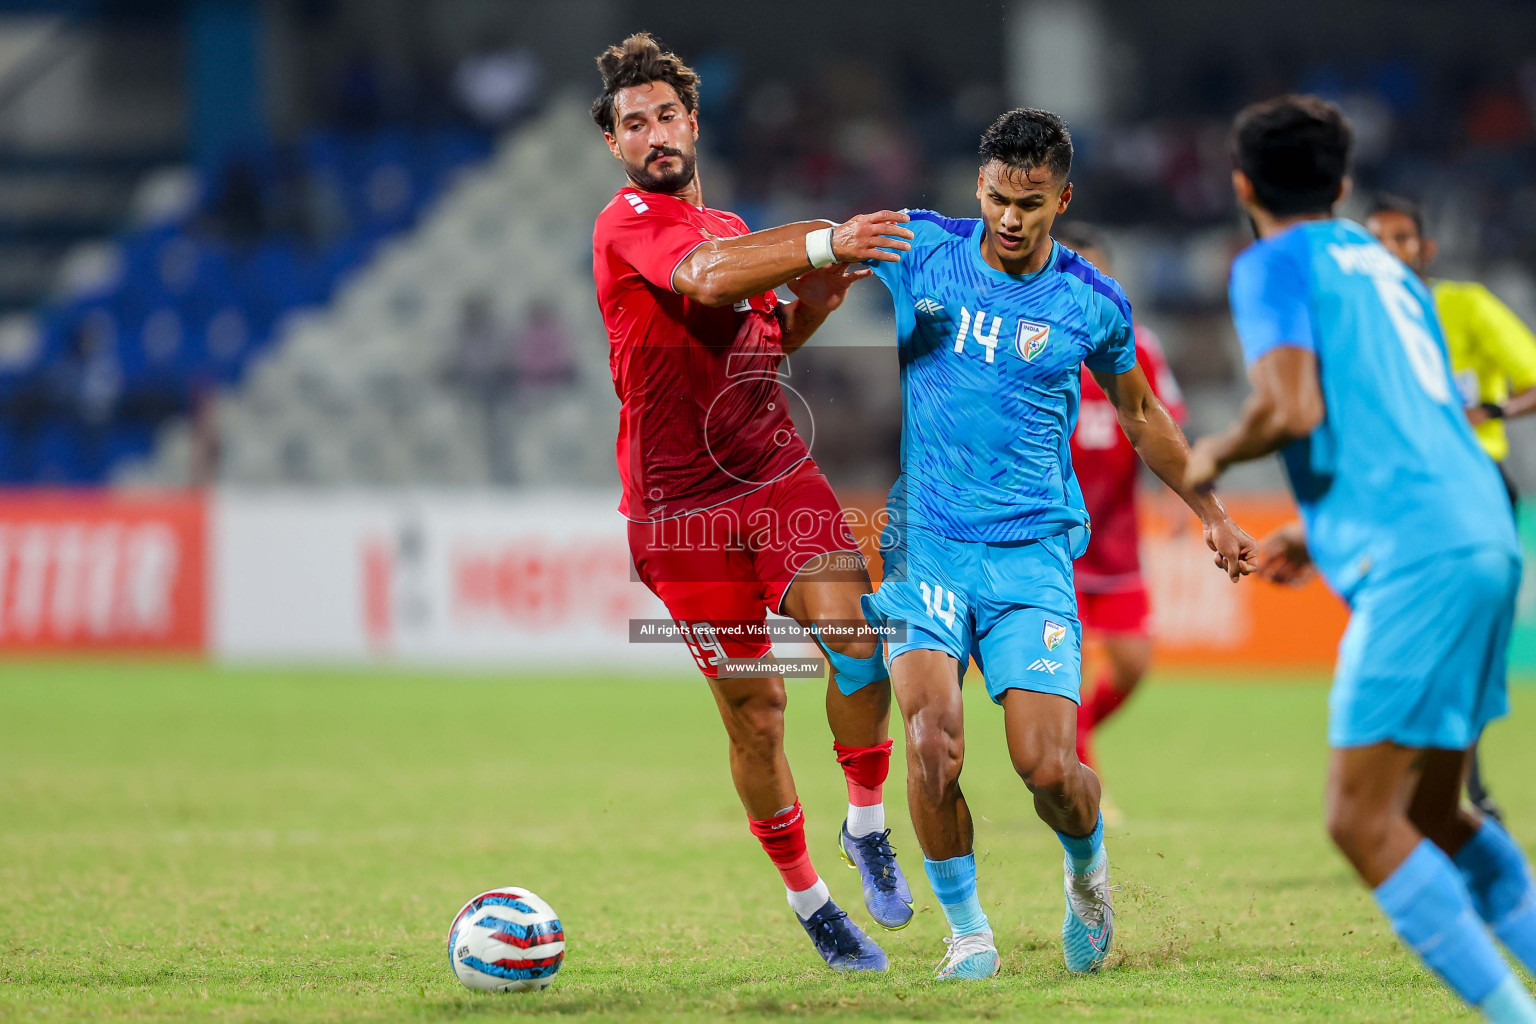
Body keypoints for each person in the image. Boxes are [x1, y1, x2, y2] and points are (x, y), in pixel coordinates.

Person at [861, 108, 1256, 980]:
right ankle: (968, 933)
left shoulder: (1090, 302)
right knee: (930, 742)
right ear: (978, 187)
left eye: (1031, 203)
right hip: (926, 542)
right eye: (999, 197)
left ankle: (1086, 872)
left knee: (1048, 770)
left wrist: (1212, 513)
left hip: (1030, 557)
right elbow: (814, 257)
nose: (1011, 217)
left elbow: (1144, 416)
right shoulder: (919, 248)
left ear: (1062, 198)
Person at [1186, 94, 1536, 1023]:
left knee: (1358, 820)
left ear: (1241, 185)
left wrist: (1213, 453)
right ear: (1342, 185)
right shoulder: (1389, 267)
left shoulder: (1269, 263)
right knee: (1434, 810)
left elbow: (1290, 408)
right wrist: (1319, 528)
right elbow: (1406, 419)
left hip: (1421, 552)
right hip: (1484, 531)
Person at [589, 34, 917, 972]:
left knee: (858, 638)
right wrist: (823, 240)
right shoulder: (627, 226)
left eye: (665, 117)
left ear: (693, 122)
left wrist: (813, 299)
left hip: (773, 471)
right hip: (679, 512)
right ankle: (811, 899)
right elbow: (698, 283)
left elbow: (765, 349)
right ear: (614, 146)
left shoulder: (732, 230)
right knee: (758, 712)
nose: (653, 135)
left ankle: (865, 826)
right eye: (633, 124)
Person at [1365, 192, 1536, 822]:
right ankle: (1446, 790)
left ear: (1424, 249)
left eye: (1400, 239)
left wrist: (1488, 412)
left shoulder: (1464, 307)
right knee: (1414, 643)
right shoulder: (1360, 325)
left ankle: (1466, 790)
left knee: (1456, 641)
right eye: (1376, 241)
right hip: (1403, 491)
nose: (1389, 252)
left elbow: (1532, 380)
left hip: (1476, 483)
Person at [1052, 223, 1186, 778]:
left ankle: (1071, 745)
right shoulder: (1034, 343)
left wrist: (1182, 496)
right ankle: (1083, 782)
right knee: (1064, 672)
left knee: (1133, 664)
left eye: (1096, 272)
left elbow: (1165, 424)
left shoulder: (1136, 346)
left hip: (1117, 540)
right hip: (1054, 541)